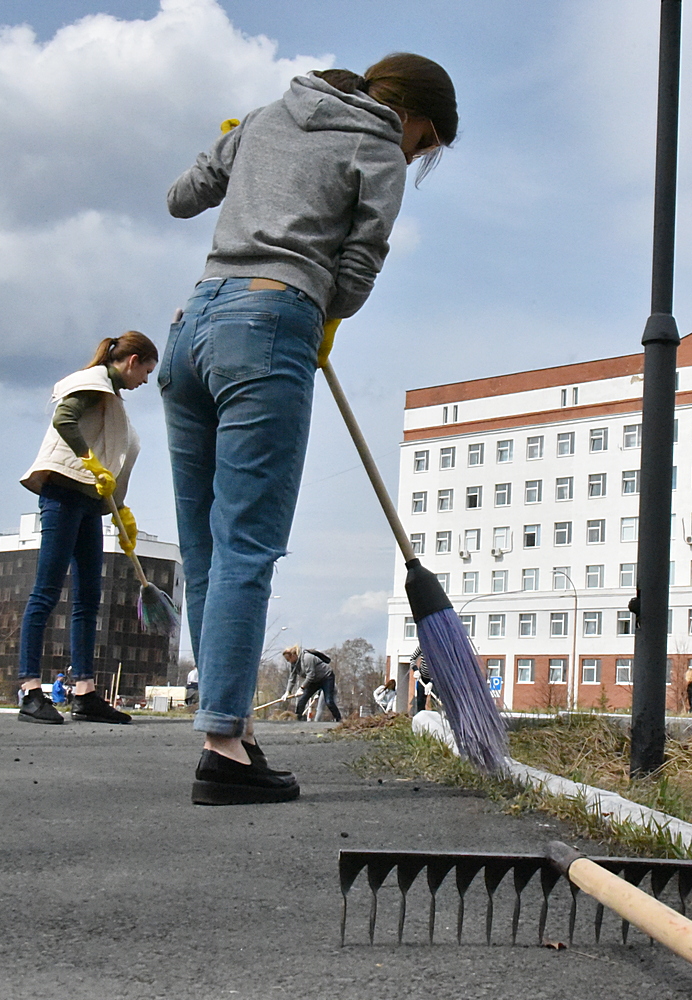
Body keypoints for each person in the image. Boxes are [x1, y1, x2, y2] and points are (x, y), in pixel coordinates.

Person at [162, 54, 456, 805]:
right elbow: (359, 269)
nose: (419, 154)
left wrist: (233, 149)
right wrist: (321, 311)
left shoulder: (266, 116)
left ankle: (231, 730)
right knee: (248, 543)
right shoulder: (379, 147)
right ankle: (223, 745)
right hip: (269, 322)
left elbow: (181, 197)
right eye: (429, 141)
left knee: (206, 548)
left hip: (191, 328)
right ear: (418, 118)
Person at [18, 331, 158, 726]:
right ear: (132, 362)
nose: (145, 380)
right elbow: (64, 419)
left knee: (88, 599)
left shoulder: (112, 400)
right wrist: (87, 460)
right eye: (146, 371)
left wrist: (121, 512)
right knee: (46, 592)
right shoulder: (91, 385)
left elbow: (115, 457)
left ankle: (85, 693)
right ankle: (29, 690)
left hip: (88, 503)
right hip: (62, 494)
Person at [287, 646, 341, 723]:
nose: (288, 661)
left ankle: (339, 719)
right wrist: (287, 692)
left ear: (294, 655)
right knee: (302, 700)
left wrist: (302, 688)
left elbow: (310, 676)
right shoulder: (294, 664)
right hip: (315, 680)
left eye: (288, 659)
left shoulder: (307, 658)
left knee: (329, 701)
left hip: (326, 677)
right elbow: (292, 678)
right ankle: (297, 719)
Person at [410, 647, 434, 713]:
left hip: (435, 679)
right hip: (422, 678)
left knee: (434, 702)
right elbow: (412, 658)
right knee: (420, 701)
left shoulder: (438, 648)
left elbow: (441, 668)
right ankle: (421, 720)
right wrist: (416, 670)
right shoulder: (422, 645)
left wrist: (432, 682)